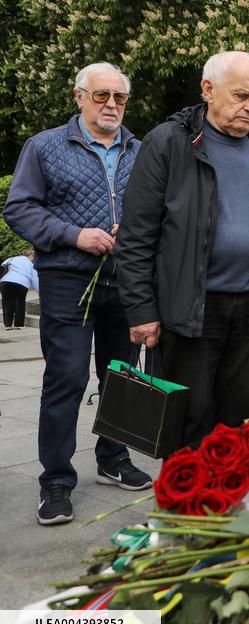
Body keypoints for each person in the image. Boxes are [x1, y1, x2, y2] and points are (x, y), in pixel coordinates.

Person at [116, 51, 249, 450]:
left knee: (241, 417)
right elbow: (136, 235)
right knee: (189, 420)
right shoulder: (168, 143)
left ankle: (228, 502)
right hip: (190, 307)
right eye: (241, 96)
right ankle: (185, 506)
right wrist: (142, 310)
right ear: (208, 90)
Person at [3, 62, 152, 525]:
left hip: (124, 278)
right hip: (68, 278)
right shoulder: (45, 146)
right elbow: (20, 208)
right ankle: (56, 480)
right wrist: (74, 234)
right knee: (66, 378)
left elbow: (157, 208)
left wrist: (138, 230)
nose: (111, 105)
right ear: (79, 96)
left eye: (119, 98)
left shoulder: (142, 150)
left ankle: (113, 458)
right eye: (101, 95)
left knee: (122, 377)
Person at [1, 249, 39, 329]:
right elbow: (35, 280)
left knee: (7, 303)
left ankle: (7, 325)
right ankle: (18, 325)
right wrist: (40, 292)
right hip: (21, 283)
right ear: (31, 256)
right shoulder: (31, 265)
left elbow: (2, 269)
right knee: (19, 302)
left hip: (5, 282)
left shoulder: (11, 259)